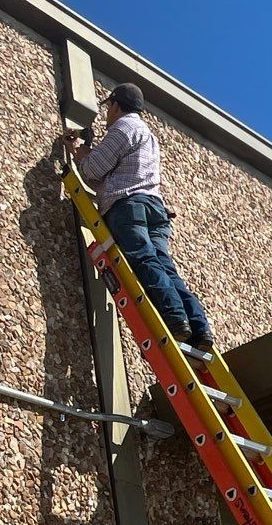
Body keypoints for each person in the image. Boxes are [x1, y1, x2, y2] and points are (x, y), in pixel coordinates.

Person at [64, 82, 214, 350]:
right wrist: (87, 151)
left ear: (116, 105)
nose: (107, 114)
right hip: (153, 208)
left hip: (129, 206)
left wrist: (80, 151)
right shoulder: (147, 134)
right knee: (165, 267)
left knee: (144, 259)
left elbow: (93, 171)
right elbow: (113, 174)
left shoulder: (123, 128)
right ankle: (199, 328)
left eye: (108, 107)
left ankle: (175, 319)